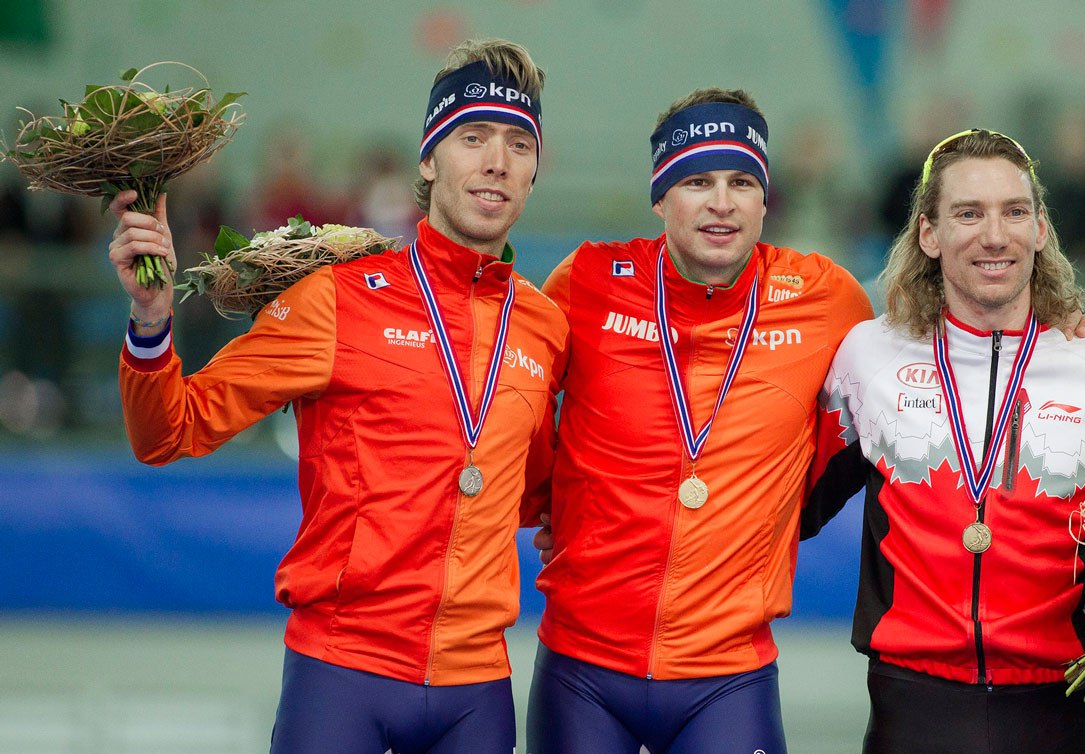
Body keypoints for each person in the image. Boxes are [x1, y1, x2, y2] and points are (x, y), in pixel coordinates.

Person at [107, 38, 566, 754]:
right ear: (428, 158)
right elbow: (169, 432)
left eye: (518, 143)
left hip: (477, 690)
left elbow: (537, 489)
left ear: (536, 169)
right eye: (472, 137)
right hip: (342, 676)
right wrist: (151, 319)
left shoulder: (542, 327)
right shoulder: (337, 302)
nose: (496, 162)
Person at [525, 88, 875, 754]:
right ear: (660, 198)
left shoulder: (825, 297)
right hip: (583, 669)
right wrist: (545, 504)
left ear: (765, 198)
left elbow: (928, 356)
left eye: (742, 181)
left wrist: (1059, 323)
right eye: (696, 181)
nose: (722, 202)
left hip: (728, 680)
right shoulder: (587, 282)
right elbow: (512, 400)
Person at [803, 129, 1085, 754]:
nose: (994, 236)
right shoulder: (866, 358)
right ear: (929, 234)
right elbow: (792, 507)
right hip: (909, 711)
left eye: (1014, 212)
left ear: (1041, 228)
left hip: (1058, 715)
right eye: (968, 214)